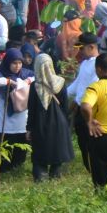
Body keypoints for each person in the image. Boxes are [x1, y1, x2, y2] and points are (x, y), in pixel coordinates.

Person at [28, 53, 74, 181]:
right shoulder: (61, 82)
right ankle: (55, 178)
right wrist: (66, 124)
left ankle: (40, 179)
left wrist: (29, 128)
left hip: (40, 123)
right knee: (57, 152)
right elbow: (65, 107)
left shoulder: (35, 86)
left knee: (39, 155)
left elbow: (32, 109)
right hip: (59, 123)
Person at [80, 53, 107, 187]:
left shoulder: (96, 87)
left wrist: (90, 121)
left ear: (98, 69)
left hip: (101, 137)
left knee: (100, 183)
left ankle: (102, 203)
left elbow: (85, 106)